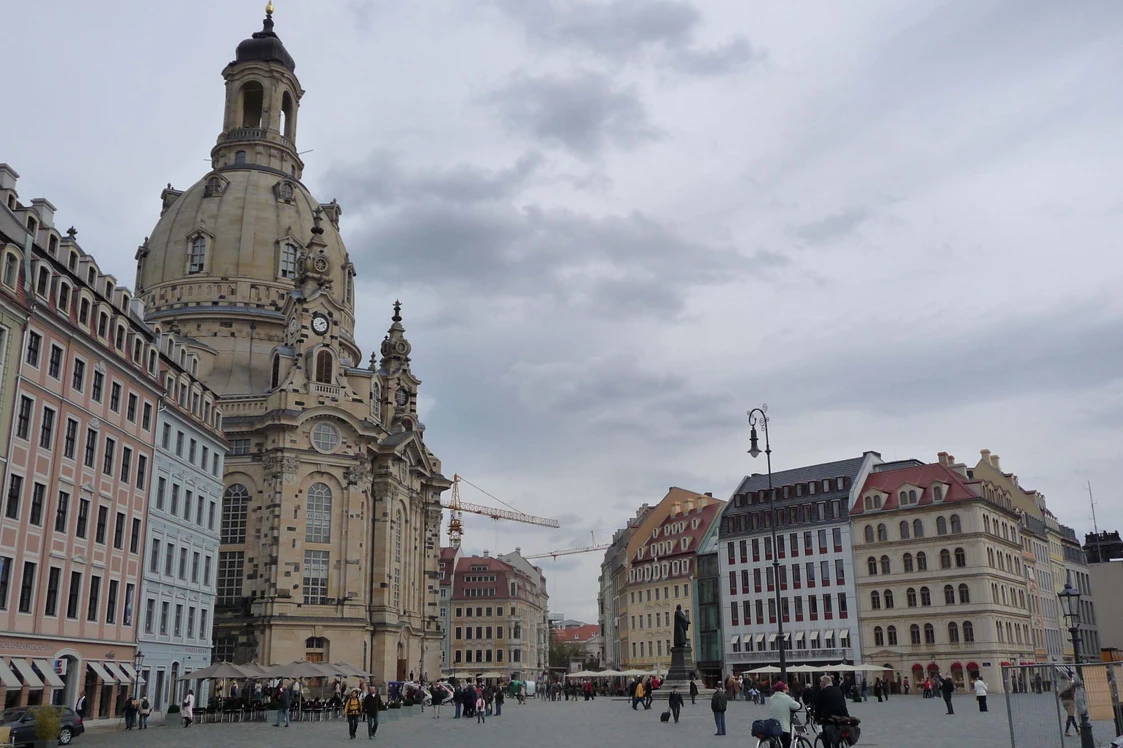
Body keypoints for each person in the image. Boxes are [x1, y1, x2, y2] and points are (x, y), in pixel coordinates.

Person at [815, 675, 849, 748]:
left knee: (825, 737)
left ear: (823, 683)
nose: (820, 684)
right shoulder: (838, 690)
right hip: (843, 716)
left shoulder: (822, 692)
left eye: (820, 683)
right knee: (838, 735)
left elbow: (818, 708)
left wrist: (817, 719)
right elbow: (843, 703)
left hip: (830, 718)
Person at [769, 682, 803, 748]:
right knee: (787, 742)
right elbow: (796, 706)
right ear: (783, 690)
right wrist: (800, 705)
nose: (786, 691)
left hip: (773, 725)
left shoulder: (771, 698)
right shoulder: (786, 698)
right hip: (783, 726)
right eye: (785, 689)